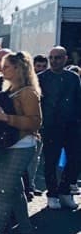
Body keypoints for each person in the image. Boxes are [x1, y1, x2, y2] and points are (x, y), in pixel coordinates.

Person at [0, 51, 42, 234]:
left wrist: (5, 118)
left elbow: (35, 122)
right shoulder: (11, 90)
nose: (2, 69)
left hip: (22, 145)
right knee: (14, 191)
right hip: (6, 145)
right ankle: (26, 232)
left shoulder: (28, 92)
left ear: (18, 68)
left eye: (7, 66)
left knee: (4, 190)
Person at [38, 46, 81, 210]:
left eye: (57, 58)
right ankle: (53, 194)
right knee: (51, 161)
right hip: (51, 126)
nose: (54, 61)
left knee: (75, 159)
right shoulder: (42, 78)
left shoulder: (73, 78)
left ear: (65, 59)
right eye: (52, 58)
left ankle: (65, 191)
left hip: (72, 125)